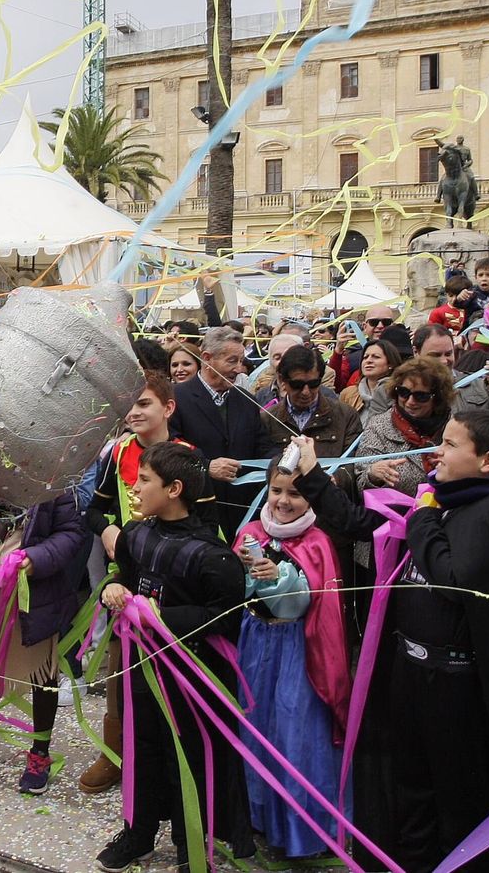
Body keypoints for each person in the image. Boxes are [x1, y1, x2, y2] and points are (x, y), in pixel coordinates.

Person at [391, 410, 489, 871]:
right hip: (414, 668)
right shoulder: (451, 499)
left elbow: (453, 581)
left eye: (451, 444)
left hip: (452, 681)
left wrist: (421, 521)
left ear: (487, 461)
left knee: (454, 793)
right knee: (411, 785)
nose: (436, 451)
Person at [95, 442, 249, 873]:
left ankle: (189, 845)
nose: (134, 487)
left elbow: (225, 616)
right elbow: (124, 575)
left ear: (175, 488)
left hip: (189, 678)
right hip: (141, 668)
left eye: (144, 480)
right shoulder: (135, 535)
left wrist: (164, 616)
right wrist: (113, 588)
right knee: (141, 750)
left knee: (185, 754)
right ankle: (138, 833)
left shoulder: (213, 557)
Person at [233, 443, 348, 860]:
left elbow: (309, 605)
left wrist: (280, 578)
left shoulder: (318, 542)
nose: (283, 501)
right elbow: (233, 593)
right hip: (254, 646)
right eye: (276, 491)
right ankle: (260, 819)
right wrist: (246, 574)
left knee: (294, 736)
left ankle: (302, 833)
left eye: (295, 494)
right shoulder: (250, 532)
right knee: (256, 731)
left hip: (299, 653)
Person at [79, 371, 190, 793]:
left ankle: (166, 756)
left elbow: (206, 523)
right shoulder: (117, 452)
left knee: (167, 672)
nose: (134, 412)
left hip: (173, 579)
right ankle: (115, 753)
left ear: (168, 408)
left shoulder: (186, 456)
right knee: (120, 667)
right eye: (129, 403)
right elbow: (95, 509)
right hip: (127, 576)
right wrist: (106, 531)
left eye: (143, 403)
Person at [0, 490, 90, 794]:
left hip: (36, 596)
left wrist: (36, 558)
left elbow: (72, 532)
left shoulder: (56, 480)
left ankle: (40, 753)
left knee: (42, 675)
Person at [168, 327, 266, 536]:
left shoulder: (247, 401)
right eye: (232, 361)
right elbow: (169, 448)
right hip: (196, 514)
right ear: (207, 358)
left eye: (241, 361)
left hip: (244, 515)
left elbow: (263, 446)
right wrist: (206, 466)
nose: (239, 369)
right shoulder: (177, 398)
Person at [354, 355, 455, 496]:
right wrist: (373, 475)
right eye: (404, 393)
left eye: (421, 396)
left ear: (437, 397)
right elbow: (361, 485)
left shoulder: (455, 428)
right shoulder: (378, 427)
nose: (410, 402)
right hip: (396, 515)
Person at [260, 344, 360, 460]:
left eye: (313, 384)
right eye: (297, 385)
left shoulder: (346, 415)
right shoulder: (266, 420)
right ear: (282, 380)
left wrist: (337, 477)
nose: (306, 392)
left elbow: (353, 461)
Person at [338, 337, 400, 427]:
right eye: (365, 357)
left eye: (376, 357)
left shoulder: (399, 393)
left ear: (390, 364)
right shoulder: (348, 394)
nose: (368, 361)